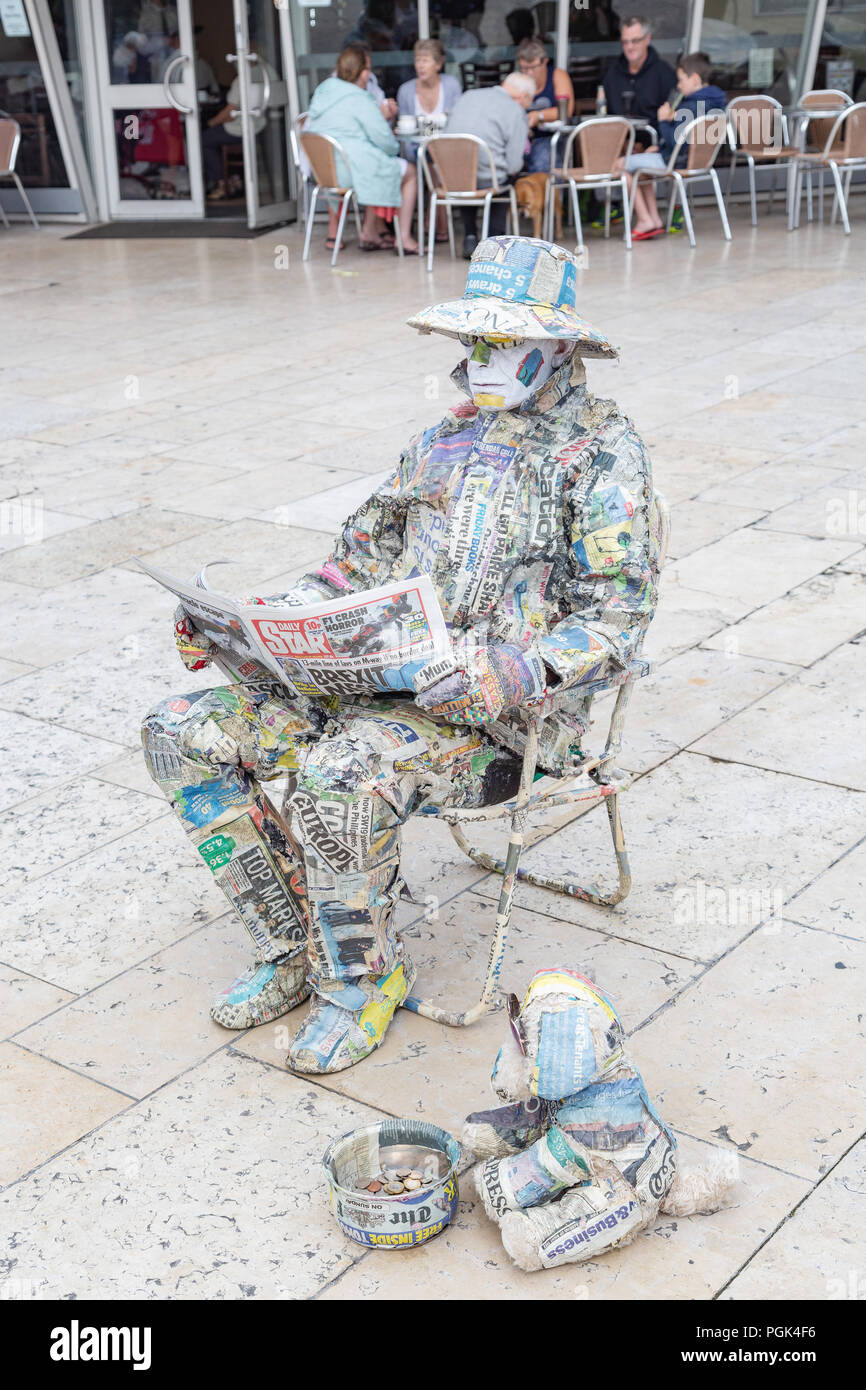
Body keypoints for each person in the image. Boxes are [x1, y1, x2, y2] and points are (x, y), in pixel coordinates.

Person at [141, 235, 659, 1076]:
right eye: (472, 343)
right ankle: (291, 940)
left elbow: (619, 618)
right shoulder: (442, 442)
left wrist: (514, 670)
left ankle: (361, 980)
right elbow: (354, 564)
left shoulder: (601, 456)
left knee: (342, 772)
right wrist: (257, 621)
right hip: (377, 684)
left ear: (559, 346)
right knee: (179, 731)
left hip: (503, 727)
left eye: (505, 343)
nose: (481, 361)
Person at [306, 44, 419, 253]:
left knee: (372, 163)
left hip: (324, 171)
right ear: (363, 72)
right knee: (408, 172)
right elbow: (385, 142)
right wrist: (389, 131)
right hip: (350, 169)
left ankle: (370, 232)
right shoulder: (359, 98)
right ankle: (403, 238)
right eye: (368, 69)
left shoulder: (324, 91)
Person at [620, 52, 727, 239]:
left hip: (676, 161)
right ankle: (654, 220)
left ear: (694, 79)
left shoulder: (691, 105)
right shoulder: (715, 102)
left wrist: (663, 121)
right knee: (642, 171)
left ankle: (646, 219)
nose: (678, 85)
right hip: (698, 162)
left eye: (681, 80)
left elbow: (676, 141)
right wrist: (660, 146)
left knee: (620, 165)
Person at [444, 72, 535, 257]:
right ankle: (494, 238)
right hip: (488, 178)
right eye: (529, 102)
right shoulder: (515, 110)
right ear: (523, 97)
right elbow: (513, 165)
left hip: (451, 177)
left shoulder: (468, 95)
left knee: (468, 172)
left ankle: (470, 235)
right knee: (505, 176)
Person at [397, 38, 461, 240]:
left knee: (435, 158)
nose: (420, 65)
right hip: (415, 149)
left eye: (425, 60)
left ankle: (434, 218)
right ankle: (437, 220)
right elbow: (404, 132)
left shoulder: (451, 85)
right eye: (417, 60)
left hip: (447, 149)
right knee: (430, 159)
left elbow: (457, 120)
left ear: (438, 64)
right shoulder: (406, 90)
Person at [202, 47, 277, 200]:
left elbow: (230, 112)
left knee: (204, 140)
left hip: (240, 129)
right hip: (261, 125)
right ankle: (235, 179)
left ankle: (223, 183)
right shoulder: (267, 71)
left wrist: (211, 122)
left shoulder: (242, 79)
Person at [602, 15, 676, 127]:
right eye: (625, 42)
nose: (629, 47)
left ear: (647, 39)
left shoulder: (664, 74)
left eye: (635, 41)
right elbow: (605, 116)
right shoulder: (612, 74)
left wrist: (658, 144)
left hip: (653, 141)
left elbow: (673, 119)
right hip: (619, 141)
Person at [515, 37, 574, 173]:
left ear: (545, 62)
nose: (529, 73)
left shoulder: (557, 76)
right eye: (525, 68)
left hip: (551, 138)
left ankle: (549, 194)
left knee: (543, 160)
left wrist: (539, 115)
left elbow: (566, 110)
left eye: (533, 67)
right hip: (521, 139)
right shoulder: (516, 81)